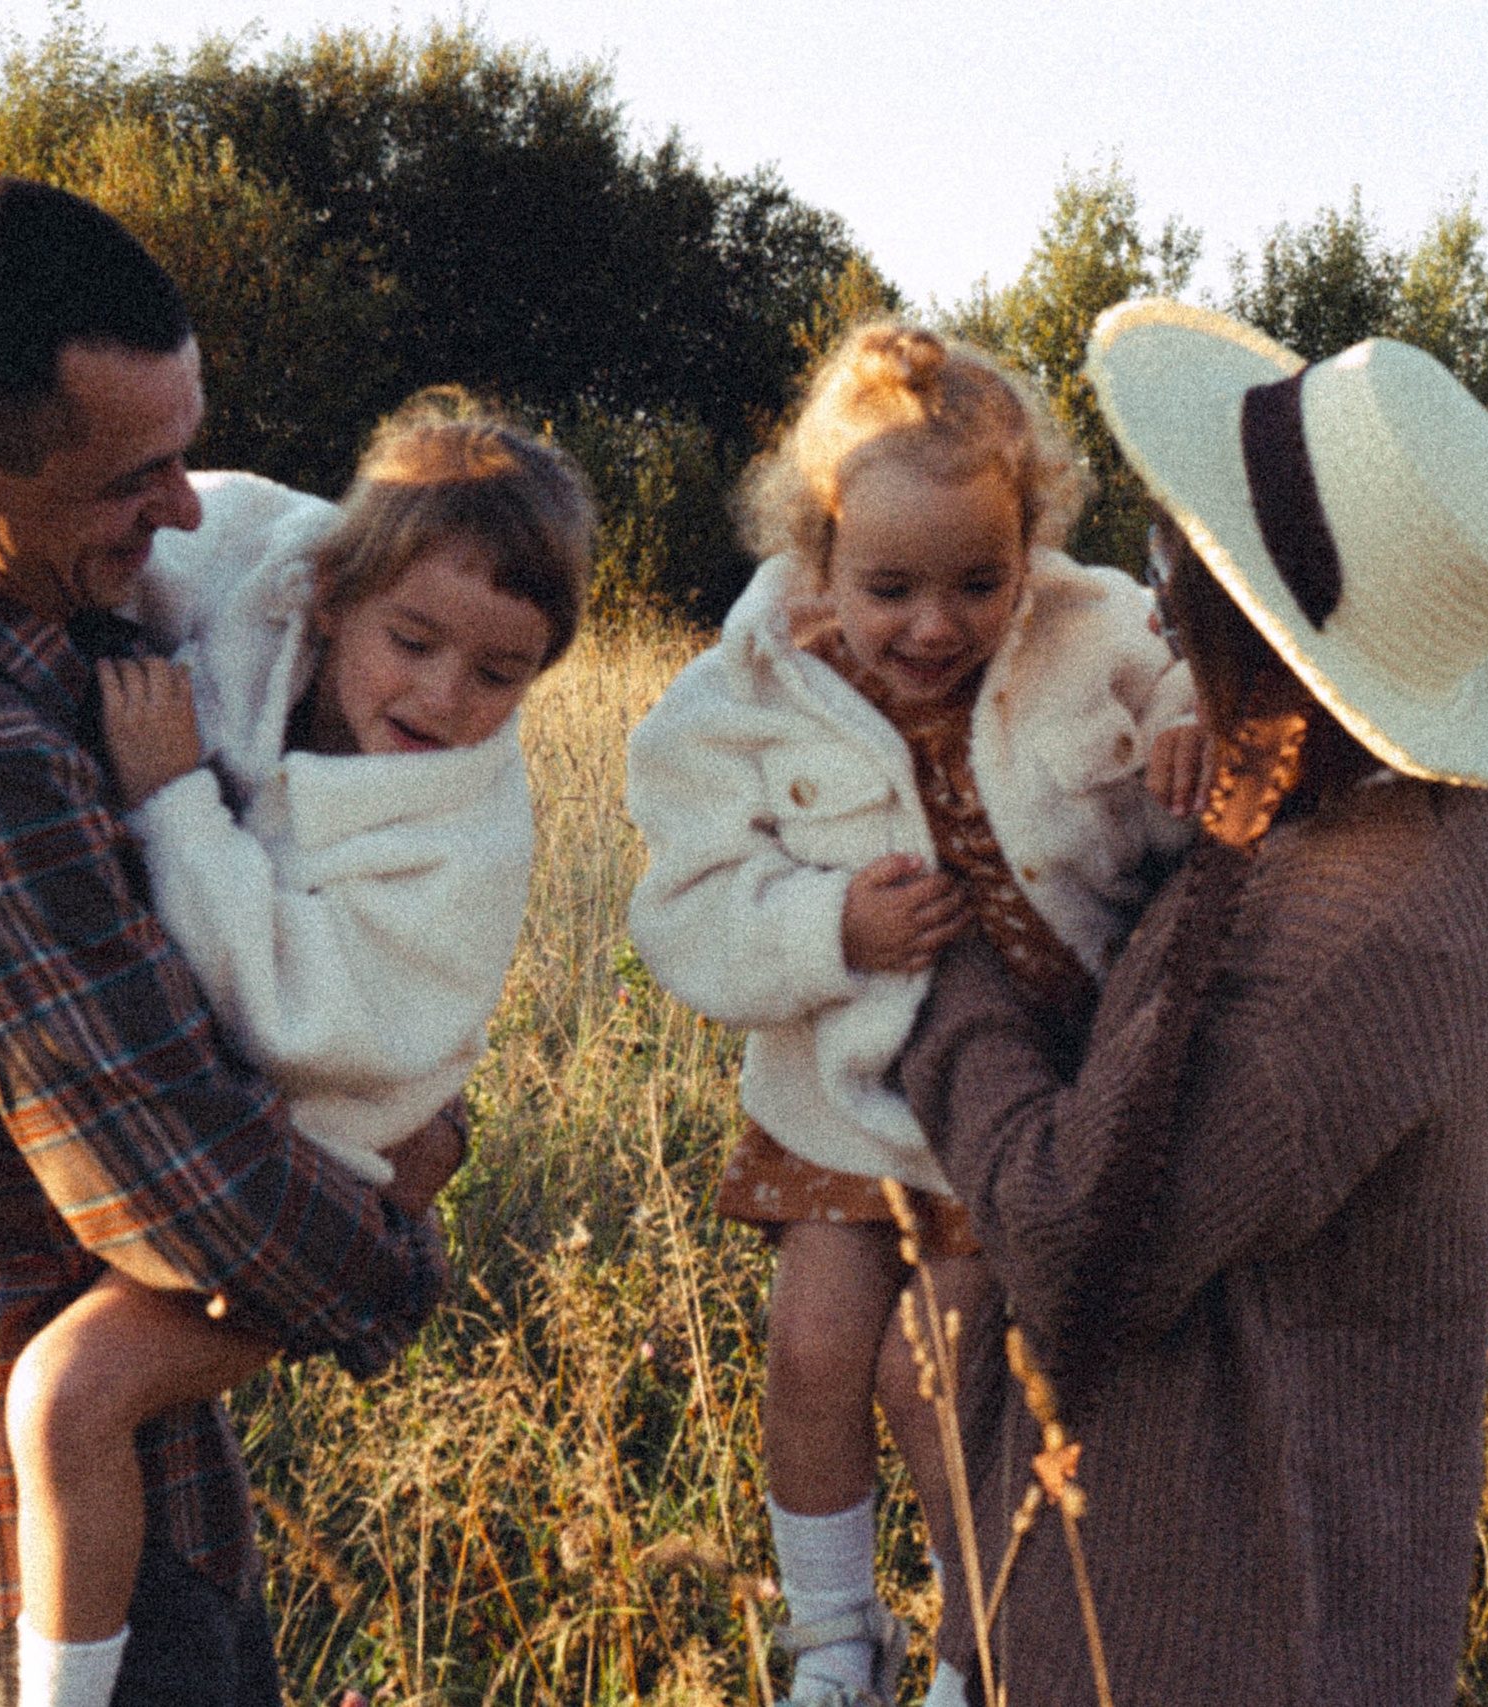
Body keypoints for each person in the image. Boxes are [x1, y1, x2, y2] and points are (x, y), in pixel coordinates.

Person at [0, 177, 463, 1707]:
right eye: (134, 478)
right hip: (55, 1571)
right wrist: (412, 1185)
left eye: (187, 452)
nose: (183, 511)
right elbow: (202, 1201)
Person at [894, 301, 1488, 1704]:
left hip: (1197, 1625)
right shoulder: (1395, 822)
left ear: (1265, 625)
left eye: (1179, 565)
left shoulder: (1352, 920)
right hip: (1250, 1607)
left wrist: (950, 969)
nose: (1153, 606)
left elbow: (1075, 1247)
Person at [624, 321, 1196, 1706]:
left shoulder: (1090, 628)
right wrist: (829, 928)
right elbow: (684, 910)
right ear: (818, 552)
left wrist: (1188, 717)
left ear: (1031, 543)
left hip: (1025, 1104)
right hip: (845, 1097)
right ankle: (834, 1644)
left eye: (978, 583)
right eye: (890, 588)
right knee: (813, 1350)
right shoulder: (748, 694)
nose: (935, 626)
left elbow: (1176, 669)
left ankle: (977, 1650)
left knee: (933, 1373)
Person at [0, 399, 592, 1707]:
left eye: (500, 674)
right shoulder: (276, 560)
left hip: (310, 1182)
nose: (443, 697)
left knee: (67, 1398)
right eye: (413, 642)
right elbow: (151, 539)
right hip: (176, 1125)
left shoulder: (468, 834)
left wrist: (172, 799)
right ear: (332, 592)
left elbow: (300, 1021)